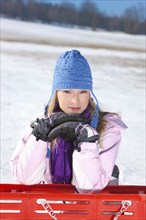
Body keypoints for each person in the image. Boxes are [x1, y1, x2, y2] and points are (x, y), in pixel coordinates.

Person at [10, 49, 127, 194]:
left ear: (90, 93)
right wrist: (39, 139)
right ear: (56, 92)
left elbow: (90, 188)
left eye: (83, 92)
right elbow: (25, 179)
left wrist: (86, 141)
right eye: (67, 91)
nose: (75, 101)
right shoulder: (41, 123)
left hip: (92, 211)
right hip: (50, 209)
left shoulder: (108, 128)